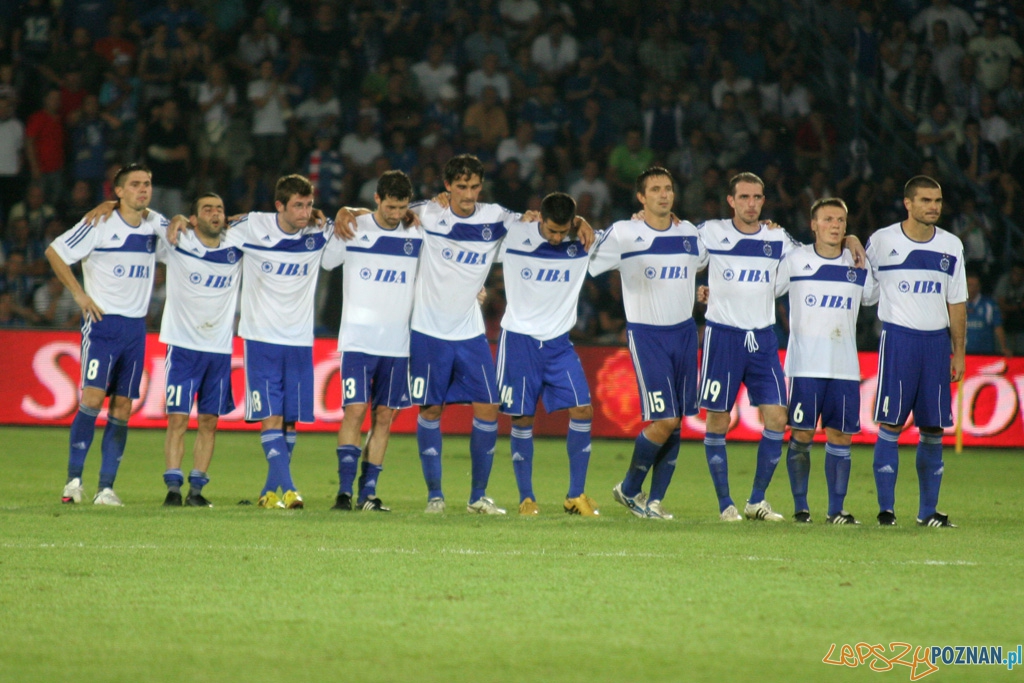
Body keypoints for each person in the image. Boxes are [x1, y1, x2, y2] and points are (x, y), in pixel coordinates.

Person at [698, 172, 865, 522]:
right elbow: (681, 259)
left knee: (778, 417)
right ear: (731, 201)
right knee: (718, 419)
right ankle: (725, 503)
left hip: (762, 338)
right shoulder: (710, 232)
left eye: (757, 197)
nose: (751, 203)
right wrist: (695, 292)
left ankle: (756, 500)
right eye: (743, 197)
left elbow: (816, 250)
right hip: (724, 335)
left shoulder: (777, 237)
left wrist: (849, 238)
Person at [174, 175, 334, 509]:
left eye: (309, 204)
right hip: (261, 339)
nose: (306, 212)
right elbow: (208, 229)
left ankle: (269, 490)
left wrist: (347, 211)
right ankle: (289, 489)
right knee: (270, 415)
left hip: (301, 340)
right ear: (279, 206)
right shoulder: (250, 226)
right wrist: (178, 218)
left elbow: (358, 226)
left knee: (290, 419)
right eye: (298, 206)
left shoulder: (320, 231)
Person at [590, 167, 708, 520]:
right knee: (666, 418)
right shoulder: (625, 233)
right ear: (640, 197)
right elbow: (588, 255)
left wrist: (701, 290)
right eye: (655, 189)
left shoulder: (689, 233)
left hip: (685, 332)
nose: (663, 194)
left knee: (678, 420)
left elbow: (702, 265)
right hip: (648, 334)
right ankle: (628, 490)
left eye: (668, 188)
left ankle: (654, 501)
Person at [46, 164, 165, 506]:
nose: (144, 190)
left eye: (148, 184)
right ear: (119, 191)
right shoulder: (99, 223)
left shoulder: (154, 225)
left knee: (124, 406)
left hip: (135, 328)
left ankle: (106, 488)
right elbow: (55, 252)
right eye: (136, 185)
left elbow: (180, 230)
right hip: (103, 324)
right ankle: (73, 482)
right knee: (93, 399)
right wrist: (79, 296)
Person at [866, 176, 966, 527]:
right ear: (907, 203)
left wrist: (959, 352)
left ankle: (928, 512)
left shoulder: (951, 246)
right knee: (891, 422)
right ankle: (886, 510)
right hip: (899, 341)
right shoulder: (882, 241)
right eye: (925, 200)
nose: (933, 206)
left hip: (936, 345)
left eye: (937, 200)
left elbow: (956, 302)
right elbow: (864, 290)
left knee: (934, 428)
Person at [321, 171, 421, 512]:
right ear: (376, 199)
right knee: (355, 410)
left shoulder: (417, 230)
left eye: (402, 207)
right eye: (390, 206)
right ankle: (344, 492)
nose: (396, 214)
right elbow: (326, 261)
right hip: (358, 340)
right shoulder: (354, 227)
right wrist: (344, 214)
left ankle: (369, 494)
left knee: (384, 418)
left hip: (397, 343)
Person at [774, 198, 878, 525]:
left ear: (847, 227)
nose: (834, 225)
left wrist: (857, 248)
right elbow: (766, 293)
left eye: (840, 221)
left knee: (841, 438)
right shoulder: (795, 260)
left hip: (844, 367)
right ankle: (801, 507)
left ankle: (836, 510)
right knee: (802, 436)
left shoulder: (857, 262)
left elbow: (872, 297)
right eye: (827, 219)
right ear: (814, 225)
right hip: (805, 366)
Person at [496, 192, 599, 515]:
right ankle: (526, 497)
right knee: (523, 417)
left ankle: (575, 495)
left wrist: (583, 224)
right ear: (540, 218)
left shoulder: (581, 242)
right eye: (551, 230)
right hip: (520, 341)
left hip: (558, 345)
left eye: (562, 231)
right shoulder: (515, 234)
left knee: (583, 410)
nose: (556, 238)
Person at [158, 194, 242, 507]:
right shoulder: (177, 241)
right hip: (182, 348)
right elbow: (149, 219)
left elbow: (263, 223)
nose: (215, 213)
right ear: (194, 219)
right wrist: (176, 217)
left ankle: (196, 490)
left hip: (219, 350)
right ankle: (172, 488)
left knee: (209, 422)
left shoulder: (236, 247)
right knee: (177, 420)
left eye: (220, 208)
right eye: (207, 209)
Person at [965, 270, 1011, 357]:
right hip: (963, 355)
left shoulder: (989, 304)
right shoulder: (957, 305)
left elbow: (998, 327)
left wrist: (1003, 347)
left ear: (979, 287)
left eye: (976, 285)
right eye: (969, 285)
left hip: (986, 355)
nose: (972, 289)